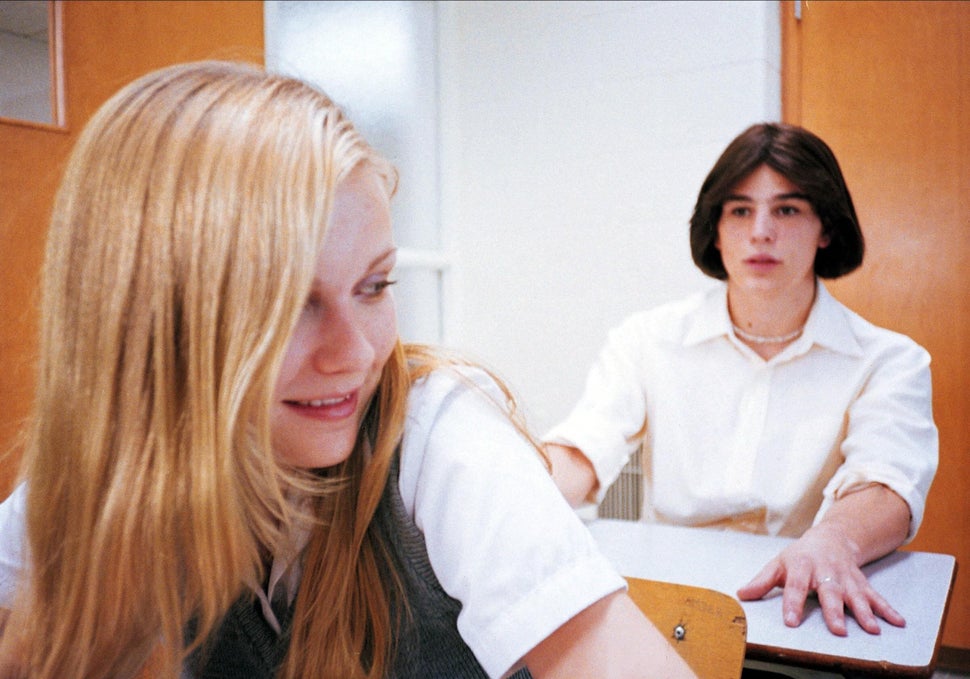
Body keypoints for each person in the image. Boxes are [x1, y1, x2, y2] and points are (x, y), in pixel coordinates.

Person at [0, 61, 696, 679]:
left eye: (374, 287)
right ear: (156, 325)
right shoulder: (107, 471)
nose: (357, 354)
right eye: (291, 303)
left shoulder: (437, 432)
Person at [545, 122, 938, 638]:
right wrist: (516, 498)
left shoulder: (889, 360)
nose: (761, 232)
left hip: (803, 607)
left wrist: (834, 540)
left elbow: (887, 483)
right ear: (715, 228)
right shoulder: (647, 338)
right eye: (740, 211)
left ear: (826, 229)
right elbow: (583, 447)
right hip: (666, 612)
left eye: (788, 209)